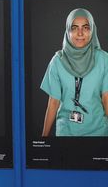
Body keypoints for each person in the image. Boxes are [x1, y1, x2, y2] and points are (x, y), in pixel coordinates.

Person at [41, 8, 108, 137]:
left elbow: (106, 99)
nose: (80, 33)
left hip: (98, 133)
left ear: (92, 30)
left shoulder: (104, 60)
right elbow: (53, 102)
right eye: (74, 28)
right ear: (68, 31)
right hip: (66, 133)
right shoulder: (57, 61)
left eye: (86, 27)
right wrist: (43, 140)